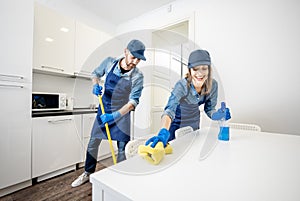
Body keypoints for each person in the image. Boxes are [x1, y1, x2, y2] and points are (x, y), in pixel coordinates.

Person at [72, 39, 146, 187]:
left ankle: (120, 178)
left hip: (122, 113)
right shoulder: (109, 63)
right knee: (93, 142)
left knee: (122, 148)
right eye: (133, 57)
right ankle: (87, 172)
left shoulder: (138, 76)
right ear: (126, 51)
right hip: (104, 108)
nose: (136, 62)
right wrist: (95, 84)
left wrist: (115, 116)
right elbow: (95, 74)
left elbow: (133, 102)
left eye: (139, 59)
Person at [145, 49, 231, 148]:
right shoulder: (182, 86)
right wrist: (163, 132)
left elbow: (209, 109)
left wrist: (217, 115)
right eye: (195, 69)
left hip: (194, 122)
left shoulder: (213, 85)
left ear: (209, 69)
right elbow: (169, 110)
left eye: (204, 68)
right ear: (189, 70)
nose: (200, 73)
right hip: (175, 123)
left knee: (192, 149)